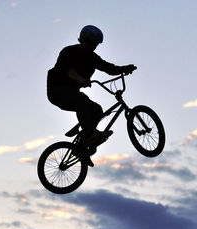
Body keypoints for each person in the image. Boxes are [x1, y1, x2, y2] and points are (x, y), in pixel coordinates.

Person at [47, 25, 136, 167]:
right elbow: (67, 70)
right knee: (82, 101)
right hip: (57, 91)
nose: (92, 47)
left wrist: (125, 69)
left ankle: (83, 146)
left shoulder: (92, 58)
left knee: (96, 109)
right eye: (90, 43)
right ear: (82, 40)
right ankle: (90, 133)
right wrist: (80, 80)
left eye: (95, 44)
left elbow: (109, 68)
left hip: (72, 93)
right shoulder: (69, 52)